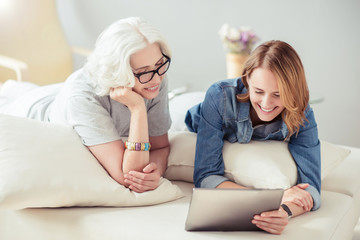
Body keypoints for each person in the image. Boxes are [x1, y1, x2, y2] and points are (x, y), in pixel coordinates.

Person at [0, 17, 172, 193]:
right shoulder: (83, 97)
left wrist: (156, 170)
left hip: (54, 94)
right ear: (119, 72)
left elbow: (160, 146)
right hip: (32, 109)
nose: (157, 78)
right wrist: (138, 109)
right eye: (144, 72)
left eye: (160, 65)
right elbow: (128, 175)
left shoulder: (154, 79)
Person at [185, 40, 321, 234]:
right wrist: (275, 197)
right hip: (192, 115)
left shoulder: (303, 113)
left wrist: (284, 212)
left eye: (278, 94)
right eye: (258, 91)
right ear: (247, 79)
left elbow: (312, 189)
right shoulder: (219, 96)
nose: (266, 103)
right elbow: (205, 177)